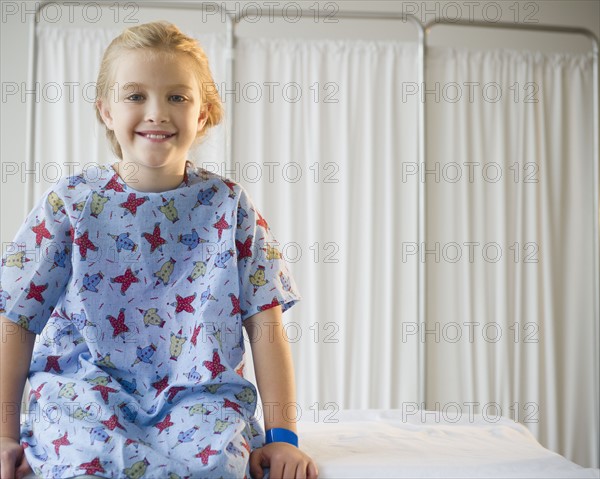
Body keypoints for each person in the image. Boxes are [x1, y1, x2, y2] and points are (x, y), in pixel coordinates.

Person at [0, 21, 318, 479]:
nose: (156, 112)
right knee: (83, 460)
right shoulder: (69, 202)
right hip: (85, 390)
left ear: (203, 114)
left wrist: (283, 438)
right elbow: (15, 318)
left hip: (199, 395)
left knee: (213, 467)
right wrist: (5, 434)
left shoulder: (229, 206)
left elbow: (266, 322)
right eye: (135, 96)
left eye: (177, 97)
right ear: (106, 111)